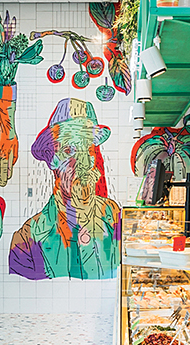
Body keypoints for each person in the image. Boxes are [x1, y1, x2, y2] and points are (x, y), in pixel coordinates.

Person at [9, 98, 120, 280]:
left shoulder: (115, 217)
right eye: (70, 150)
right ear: (51, 159)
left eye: (88, 150)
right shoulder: (27, 239)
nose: (83, 163)